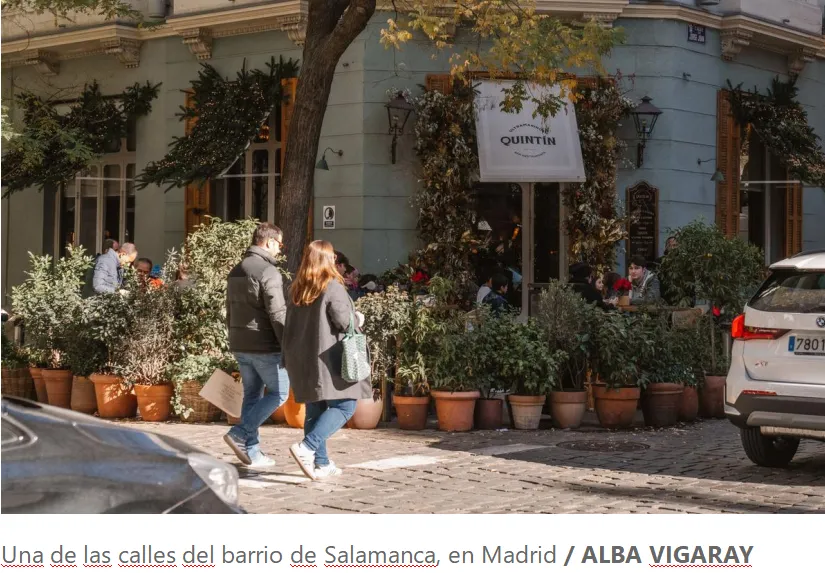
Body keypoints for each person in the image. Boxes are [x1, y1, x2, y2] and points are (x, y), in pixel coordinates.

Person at [282, 240, 371, 480]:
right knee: (345, 405)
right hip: (329, 357)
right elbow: (343, 321)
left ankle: (321, 463)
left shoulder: (297, 288)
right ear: (326, 260)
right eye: (331, 257)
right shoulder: (332, 286)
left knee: (315, 408)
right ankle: (307, 448)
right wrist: (358, 318)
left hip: (302, 357)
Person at [224, 222, 290, 468]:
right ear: (270, 242)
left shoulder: (236, 270)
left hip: (240, 341)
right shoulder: (268, 271)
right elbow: (277, 313)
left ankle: (251, 452)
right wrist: (286, 344)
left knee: (252, 395)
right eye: (279, 245)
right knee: (280, 393)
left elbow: (229, 308)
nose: (280, 250)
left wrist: (233, 334)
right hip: (264, 344)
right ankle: (241, 433)